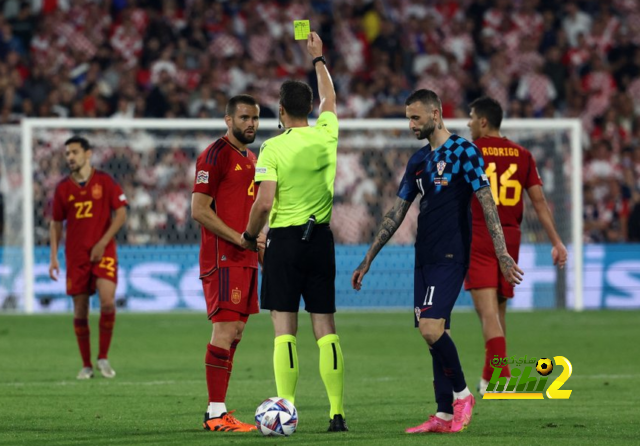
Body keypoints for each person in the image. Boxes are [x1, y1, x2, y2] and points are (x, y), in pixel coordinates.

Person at [351, 89, 524, 434]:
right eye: (408, 118)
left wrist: (502, 252)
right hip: (423, 256)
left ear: (436, 113)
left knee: (431, 328)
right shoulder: (417, 161)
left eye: (416, 118)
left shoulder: (464, 150)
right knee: (434, 334)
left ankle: (462, 396)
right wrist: (368, 258)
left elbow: (486, 201)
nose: (411, 124)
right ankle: (444, 414)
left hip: (451, 254)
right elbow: (396, 213)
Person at [241, 32, 348, 432]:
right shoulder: (326, 135)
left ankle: (286, 407)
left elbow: (264, 203)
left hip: (284, 242)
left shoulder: (272, 149)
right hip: (320, 240)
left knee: (284, 330)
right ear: (311, 110)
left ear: (281, 111)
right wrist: (318, 59)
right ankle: (337, 414)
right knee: (326, 329)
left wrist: (251, 237)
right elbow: (331, 101)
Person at [465, 96, 568, 394]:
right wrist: (556, 241)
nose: (468, 122)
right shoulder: (522, 154)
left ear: (483, 121)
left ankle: (500, 376)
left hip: (480, 233)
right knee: (499, 312)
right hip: (511, 235)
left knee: (487, 314)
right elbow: (539, 202)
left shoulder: (471, 151)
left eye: (471, 117)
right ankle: (492, 377)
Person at [191, 94, 264, 433]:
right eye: (245, 117)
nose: (251, 123)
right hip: (224, 256)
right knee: (224, 331)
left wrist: (257, 241)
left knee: (235, 332)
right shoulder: (214, 155)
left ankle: (217, 410)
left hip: (245, 256)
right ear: (228, 120)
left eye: (255, 118)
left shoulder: (251, 157)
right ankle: (215, 413)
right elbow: (199, 210)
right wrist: (237, 238)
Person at [49, 136, 128, 380]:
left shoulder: (104, 181)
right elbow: (55, 224)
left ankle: (103, 358)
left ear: (88, 153)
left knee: (107, 301)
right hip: (76, 256)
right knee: (80, 310)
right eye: (67, 154)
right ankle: (86, 365)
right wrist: (53, 257)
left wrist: (103, 242)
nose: (70, 157)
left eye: (74, 152)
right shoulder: (62, 188)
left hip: (104, 252)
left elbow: (122, 214)